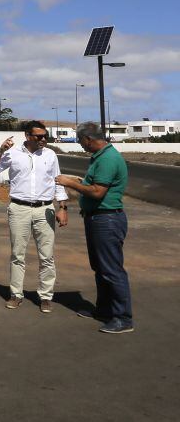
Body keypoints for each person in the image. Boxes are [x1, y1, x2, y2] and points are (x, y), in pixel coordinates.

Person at [56, 122, 133, 334]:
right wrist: (81, 182)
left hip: (106, 219)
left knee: (111, 269)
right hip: (99, 218)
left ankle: (123, 318)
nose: (80, 145)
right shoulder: (101, 157)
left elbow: (98, 192)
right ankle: (106, 310)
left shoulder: (108, 159)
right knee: (101, 268)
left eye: (80, 140)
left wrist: (70, 183)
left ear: (88, 139)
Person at [0, 120, 68, 313]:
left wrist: (62, 207)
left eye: (45, 136)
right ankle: (16, 294)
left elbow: (58, 181)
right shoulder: (13, 154)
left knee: (47, 256)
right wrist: (1, 151)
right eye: (39, 136)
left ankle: (46, 297)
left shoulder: (50, 155)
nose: (43, 139)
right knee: (17, 255)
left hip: (45, 209)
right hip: (19, 209)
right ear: (27, 136)